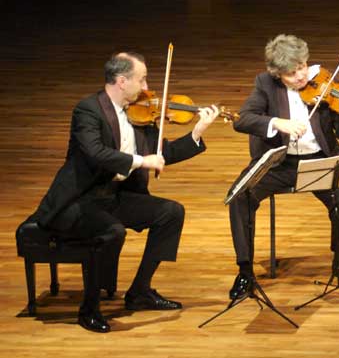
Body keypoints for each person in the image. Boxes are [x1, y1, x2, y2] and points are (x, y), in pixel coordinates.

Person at [26, 52, 220, 332]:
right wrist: (141, 161)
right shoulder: (88, 111)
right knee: (112, 232)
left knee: (170, 213)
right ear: (121, 81)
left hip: (113, 196)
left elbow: (162, 153)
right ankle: (89, 310)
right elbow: (96, 153)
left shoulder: (140, 115)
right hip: (79, 200)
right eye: (141, 80)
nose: (146, 87)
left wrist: (197, 133)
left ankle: (140, 292)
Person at [227, 34, 339, 301]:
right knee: (240, 197)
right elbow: (242, 120)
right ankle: (245, 271)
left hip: (320, 159)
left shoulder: (324, 83)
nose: (301, 76)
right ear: (277, 74)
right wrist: (277, 122)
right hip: (280, 163)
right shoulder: (265, 84)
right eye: (291, 73)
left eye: (302, 67)